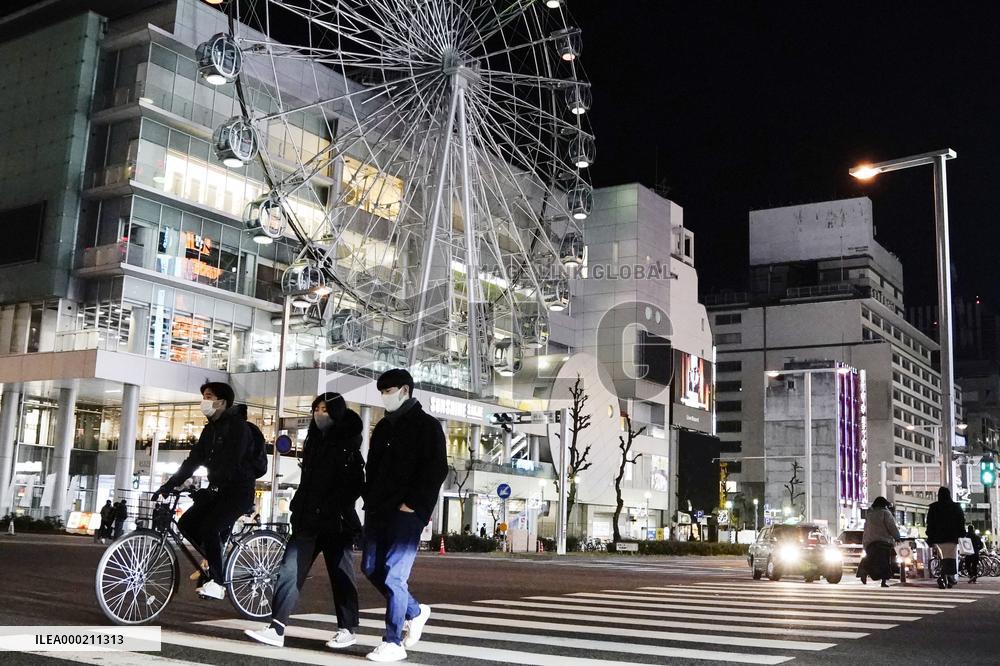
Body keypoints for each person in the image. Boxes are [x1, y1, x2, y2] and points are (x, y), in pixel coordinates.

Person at [245, 392, 364, 649]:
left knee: (341, 575)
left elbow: (354, 484)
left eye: (325, 409)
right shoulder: (313, 441)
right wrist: (299, 508)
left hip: (336, 522)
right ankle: (277, 627)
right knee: (289, 570)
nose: (319, 414)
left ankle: (347, 628)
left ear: (336, 413)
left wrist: (330, 506)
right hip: (308, 519)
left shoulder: (348, 445)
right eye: (316, 409)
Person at [361, 369, 448, 663]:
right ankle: (415, 611)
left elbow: (436, 469)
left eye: (389, 391)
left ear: (405, 391)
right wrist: (368, 497)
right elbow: (372, 467)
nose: (385, 396)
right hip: (378, 509)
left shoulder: (427, 426)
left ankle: (393, 640)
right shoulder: (384, 426)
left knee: (395, 574)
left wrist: (414, 504)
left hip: (407, 512)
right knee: (372, 568)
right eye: (382, 392)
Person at [155, 382, 264, 601]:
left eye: (208, 396)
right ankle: (216, 559)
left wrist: (210, 488)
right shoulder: (210, 430)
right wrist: (169, 485)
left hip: (238, 491)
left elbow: (232, 462)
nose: (204, 401)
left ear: (222, 402)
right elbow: (193, 461)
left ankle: (218, 582)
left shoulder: (238, 428)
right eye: (203, 396)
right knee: (186, 524)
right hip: (217, 491)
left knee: (211, 528)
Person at [926, 486, 966, 588]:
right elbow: (961, 522)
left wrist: (930, 536)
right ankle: (950, 577)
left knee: (941, 557)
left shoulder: (934, 507)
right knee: (951, 558)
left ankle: (944, 576)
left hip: (938, 538)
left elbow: (930, 523)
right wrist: (962, 534)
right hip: (952, 537)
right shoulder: (956, 507)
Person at [860, 496, 899, 587]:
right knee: (885, 562)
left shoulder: (870, 515)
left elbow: (866, 529)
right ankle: (883, 581)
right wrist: (897, 537)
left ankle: (864, 571)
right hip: (884, 542)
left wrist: (865, 543)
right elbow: (892, 527)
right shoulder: (886, 514)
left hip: (871, 542)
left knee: (870, 560)